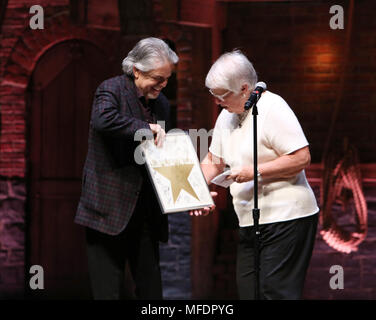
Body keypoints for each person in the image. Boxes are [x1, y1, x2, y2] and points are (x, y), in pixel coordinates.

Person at [191, 50, 319, 300]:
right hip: (250, 221)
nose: (217, 101)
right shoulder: (226, 116)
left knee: (275, 294)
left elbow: (302, 158)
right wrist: (196, 192)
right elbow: (213, 161)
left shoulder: (273, 108)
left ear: (244, 88)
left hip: (287, 217)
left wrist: (255, 171)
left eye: (221, 94)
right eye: (213, 94)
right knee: (249, 293)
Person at [75, 37, 179, 299]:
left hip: (145, 214)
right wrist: (145, 129)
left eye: (167, 79)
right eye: (158, 78)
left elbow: (162, 154)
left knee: (152, 293)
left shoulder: (163, 104)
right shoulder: (111, 90)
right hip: (107, 210)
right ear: (137, 70)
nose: (163, 85)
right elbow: (103, 120)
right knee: (108, 292)